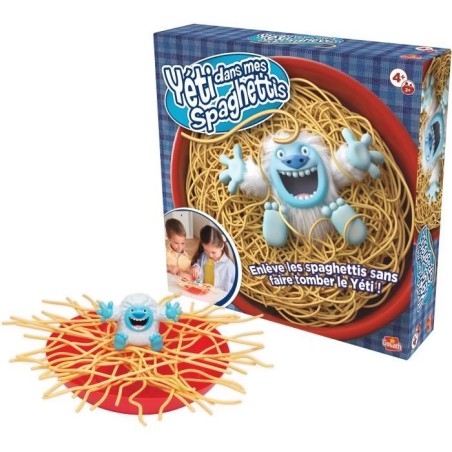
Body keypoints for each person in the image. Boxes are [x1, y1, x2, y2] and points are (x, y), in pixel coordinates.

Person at [191, 225, 235, 293]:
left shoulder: (229, 266)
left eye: (213, 252)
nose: (210, 255)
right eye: (206, 250)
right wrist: (196, 267)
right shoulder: (204, 255)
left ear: (222, 246)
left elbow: (232, 289)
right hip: (202, 292)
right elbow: (198, 264)